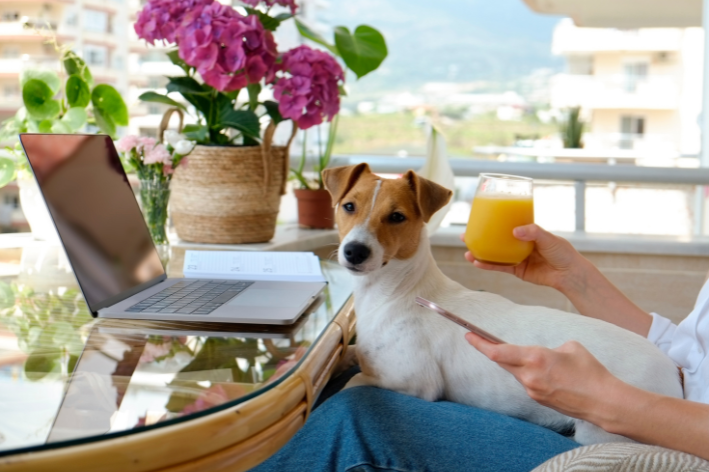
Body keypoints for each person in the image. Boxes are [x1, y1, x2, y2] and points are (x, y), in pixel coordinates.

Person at [250, 224, 709, 472]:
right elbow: (690, 351)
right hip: (660, 396)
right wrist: (574, 279)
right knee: (333, 387)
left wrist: (605, 400)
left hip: (664, 445)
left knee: (359, 414)